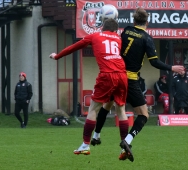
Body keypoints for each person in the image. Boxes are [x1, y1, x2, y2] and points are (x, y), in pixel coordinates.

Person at [92, 8, 185, 162]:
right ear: (147, 22)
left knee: (106, 106)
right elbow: (154, 61)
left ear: (134, 21)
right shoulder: (147, 38)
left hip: (116, 75)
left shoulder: (127, 30)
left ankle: (96, 136)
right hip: (131, 80)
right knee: (143, 114)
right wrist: (171, 67)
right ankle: (127, 141)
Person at [49, 19, 130, 156]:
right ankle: (124, 146)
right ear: (115, 30)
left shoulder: (95, 36)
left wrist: (57, 56)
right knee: (121, 110)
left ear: (102, 27)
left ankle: (85, 144)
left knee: (93, 109)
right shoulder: (118, 38)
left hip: (107, 75)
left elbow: (74, 47)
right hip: (122, 75)